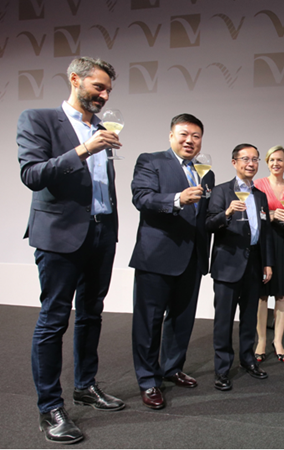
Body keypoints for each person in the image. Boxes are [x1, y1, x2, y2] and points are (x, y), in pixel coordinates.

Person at [17, 56, 124, 444]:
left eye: (108, 89)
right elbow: (32, 174)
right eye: (98, 86)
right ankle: (50, 408)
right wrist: (84, 149)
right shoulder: (38, 119)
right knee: (53, 319)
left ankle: (85, 386)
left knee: (92, 313)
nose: (104, 95)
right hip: (60, 236)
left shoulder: (101, 128)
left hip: (101, 233)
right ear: (75, 79)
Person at [130, 113, 214, 410]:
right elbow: (142, 198)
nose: (190, 140)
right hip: (157, 257)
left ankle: (172, 367)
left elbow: (204, 217)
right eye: (184, 134)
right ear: (171, 136)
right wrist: (177, 199)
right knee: (149, 322)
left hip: (192, 258)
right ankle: (148, 380)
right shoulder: (151, 161)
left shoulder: (206, 173)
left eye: (196, 136)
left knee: (182, 319)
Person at [206, 144, 274, 391]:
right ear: (234, 162)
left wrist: (267, 262)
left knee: (249, 317)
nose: (251, 163)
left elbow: (265, 232)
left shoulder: (260, 195)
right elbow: (209, 224)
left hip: (254, 264)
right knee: (224, 320)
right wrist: (226, 212)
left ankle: (248, 359)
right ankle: (222, 369)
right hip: (228, 264)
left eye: (255, 159)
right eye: (245, 159)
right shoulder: (221, 191)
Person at [253, 146, 284, 362]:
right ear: (267, 162)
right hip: (264, 240)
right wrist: (271, 215)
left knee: (282, 294)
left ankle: (278, 341)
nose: (276, 163)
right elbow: (253, 214)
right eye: (272, 160)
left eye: (280, 160)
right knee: (262, 294)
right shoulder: (258, 184)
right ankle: (262, 340)